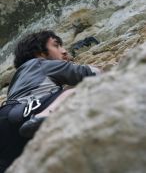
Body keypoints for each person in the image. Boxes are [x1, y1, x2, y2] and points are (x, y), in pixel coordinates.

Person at [0, 30, 101, 172]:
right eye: (57, 45)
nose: (64, 51)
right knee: (74, 93)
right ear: (40, 52)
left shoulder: (18, 79)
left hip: (6, 120)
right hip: (29, 112)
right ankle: (41, 118)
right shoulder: (40, 63)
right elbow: (88, 73)